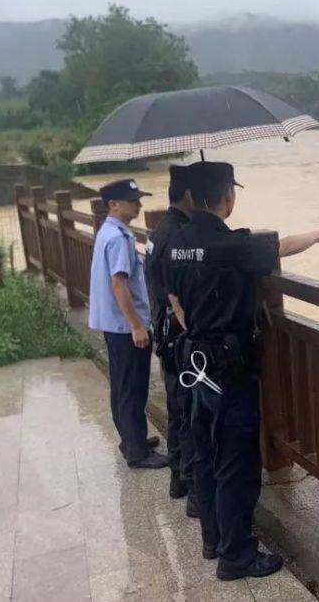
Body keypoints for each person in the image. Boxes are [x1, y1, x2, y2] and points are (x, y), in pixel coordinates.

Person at [166, 161, 319, 580]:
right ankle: (236, 556)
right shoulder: (231, 245)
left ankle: (213, 541)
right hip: (229, 369)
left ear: (191, 198)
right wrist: (318, 233)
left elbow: (174, 299)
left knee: (205, 453)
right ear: (228, 197)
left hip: (194, 361)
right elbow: (278, 247)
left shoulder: (175, 243)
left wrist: (197, 334)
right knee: (237, 463)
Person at [88, 178, 169, 470]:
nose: (139, 205)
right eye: (133, 201)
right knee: (133, 389)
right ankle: (137, 452)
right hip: (125, 327)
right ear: (114, 204)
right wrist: (136, 325)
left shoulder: (107, 232)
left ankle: (132, 440)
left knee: (122, 387)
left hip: (113, 324)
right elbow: (119, 285)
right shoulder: (119, 238)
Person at [144, 165, 199, 507]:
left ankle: (179, 480)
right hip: (178, 336)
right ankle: (194, 490)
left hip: (164, 333)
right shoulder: (177, 235)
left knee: (179, 412)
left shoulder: (161, 230)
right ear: (191, 196)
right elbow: (179, 293)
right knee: (189, 414)